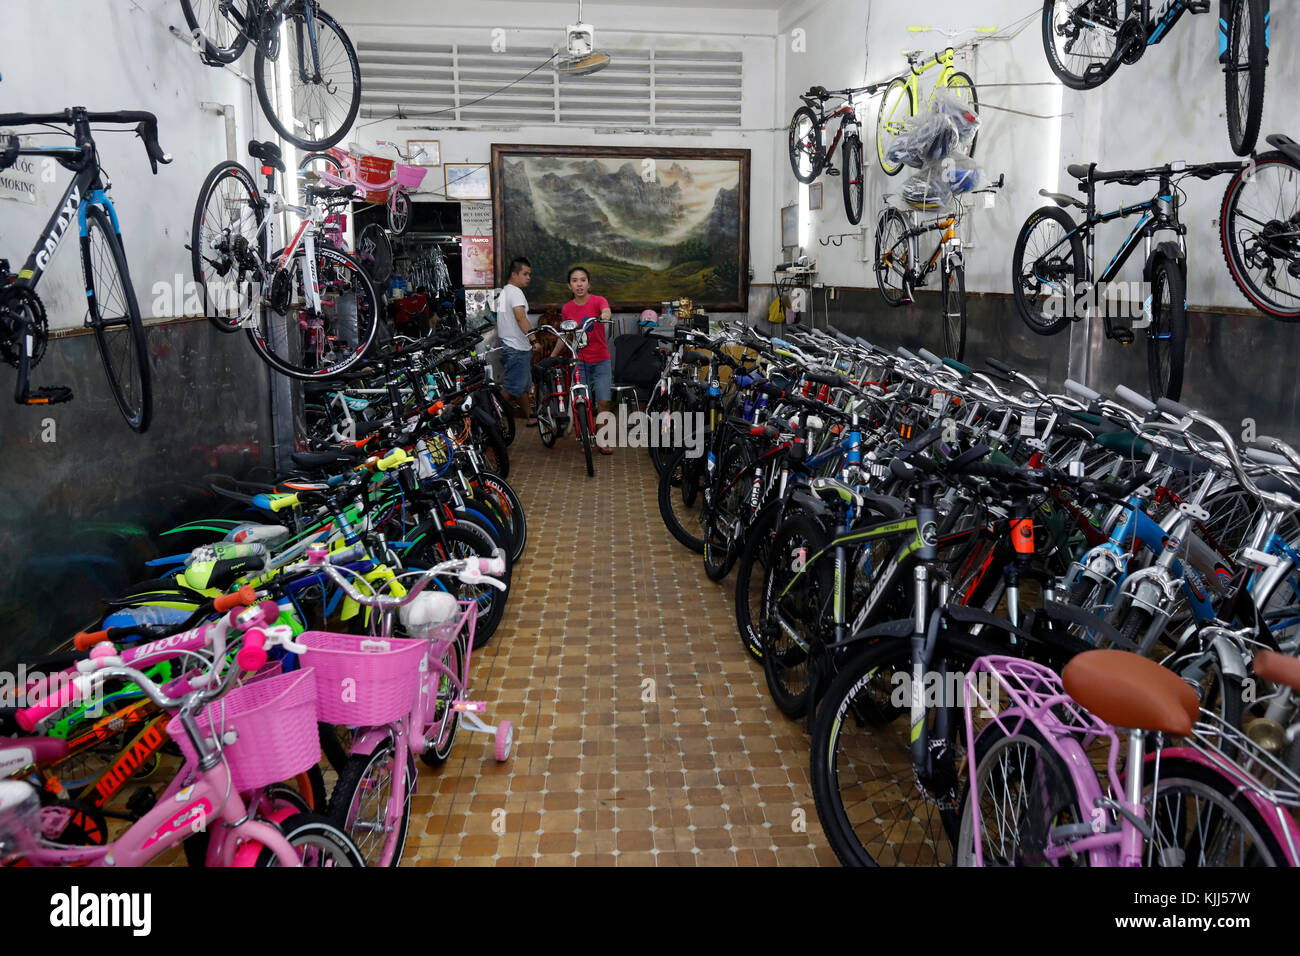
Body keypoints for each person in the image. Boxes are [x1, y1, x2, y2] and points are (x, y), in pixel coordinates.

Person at [555, 265, 614, 454]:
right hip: (579, 362)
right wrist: (552, 356)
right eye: (574, 281)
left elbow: (606, 310)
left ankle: (602, 439)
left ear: (588, 283)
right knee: (582, 402)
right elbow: (565, 336)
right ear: (569, 286)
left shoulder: (598, 301)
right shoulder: (567, 308)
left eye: (582, 280)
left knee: (604, 402)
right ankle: (586, 437)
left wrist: (604, 316)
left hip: (601, 360)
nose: (579, 284)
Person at [495, 256, 535, 424]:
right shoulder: (516, 292)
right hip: (517, 348)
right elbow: (520, 318)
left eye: (529, 274)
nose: (528, 278)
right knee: (511, 388)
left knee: (522, 385)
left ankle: (530, 416)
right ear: (514, 274)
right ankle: (489, 416)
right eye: (525, 274)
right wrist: (533, 339)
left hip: (510, 346)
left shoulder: (504, 292)